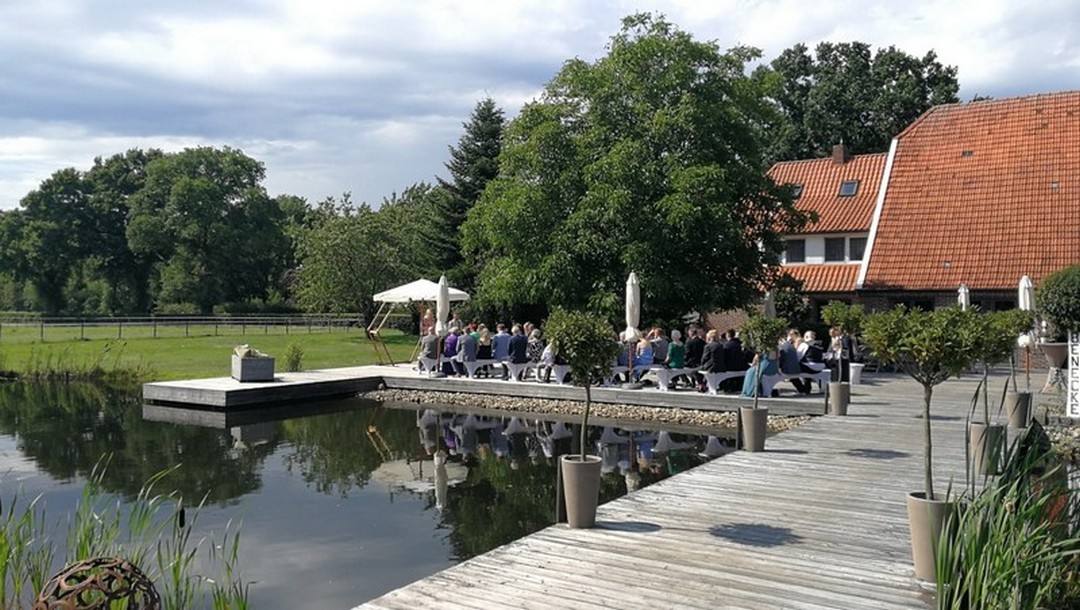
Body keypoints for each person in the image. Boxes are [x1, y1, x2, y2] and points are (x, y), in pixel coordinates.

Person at [779, 329, 809, 394]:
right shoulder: (790, 343)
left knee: (793, 377)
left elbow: (795, 353)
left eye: (791, 334)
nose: (790, 336)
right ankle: (803, 389)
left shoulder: (796, 341)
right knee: (794, 378)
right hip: (796, 365)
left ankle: (803, 390)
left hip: (793, 365)